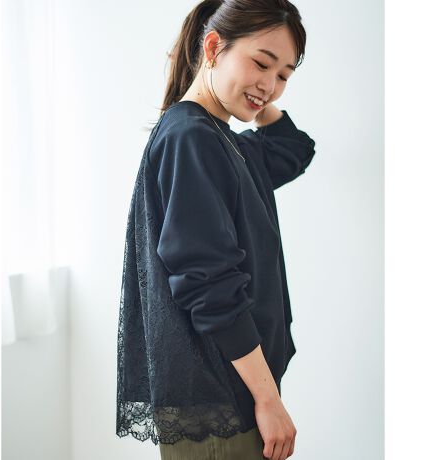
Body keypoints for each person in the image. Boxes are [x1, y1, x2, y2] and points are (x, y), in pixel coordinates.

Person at [115, 0, 316, 459]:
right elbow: (208, 283)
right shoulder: (192, 137)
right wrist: (268, 399)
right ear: (212, 47)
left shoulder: (223, 140)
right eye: (261, 62)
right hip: (219, 398)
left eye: (284, 75)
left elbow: (293, 149)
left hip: (233, 390)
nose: (271, 85)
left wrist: (256, 93)